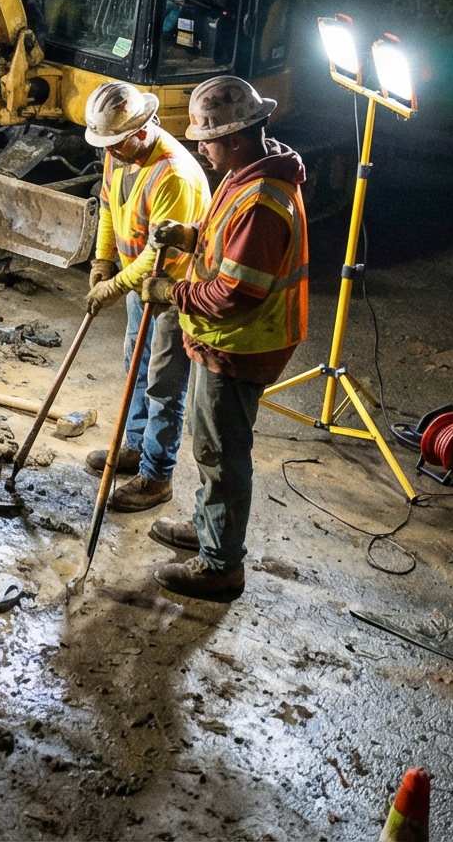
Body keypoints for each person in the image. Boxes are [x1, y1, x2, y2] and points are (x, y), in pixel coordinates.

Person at [144, 75, 308, 602]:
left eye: (206, 138)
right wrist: (188, 236)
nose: (199, 146)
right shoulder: (246, 173)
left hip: (240, 343)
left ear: (236, 138)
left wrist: (174, 293)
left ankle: (220, 565)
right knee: (210, 444)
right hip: (224, 340)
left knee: (221, 453)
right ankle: (209, 527)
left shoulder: (261, 198)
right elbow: (225, 247)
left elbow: (237, 289)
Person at [78, 81, 210, 514]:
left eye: (116, 143)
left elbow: (161, 256)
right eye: (106, 145)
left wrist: (112, 288)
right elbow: (107, 205)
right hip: (140, 285)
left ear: (142, 129)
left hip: (172, 290)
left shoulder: (173, 175)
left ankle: (156, 475)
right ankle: (133, 448)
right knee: (134, 368)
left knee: (162, 384)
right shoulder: (118, 152)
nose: (110, 152)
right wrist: (102, 261)